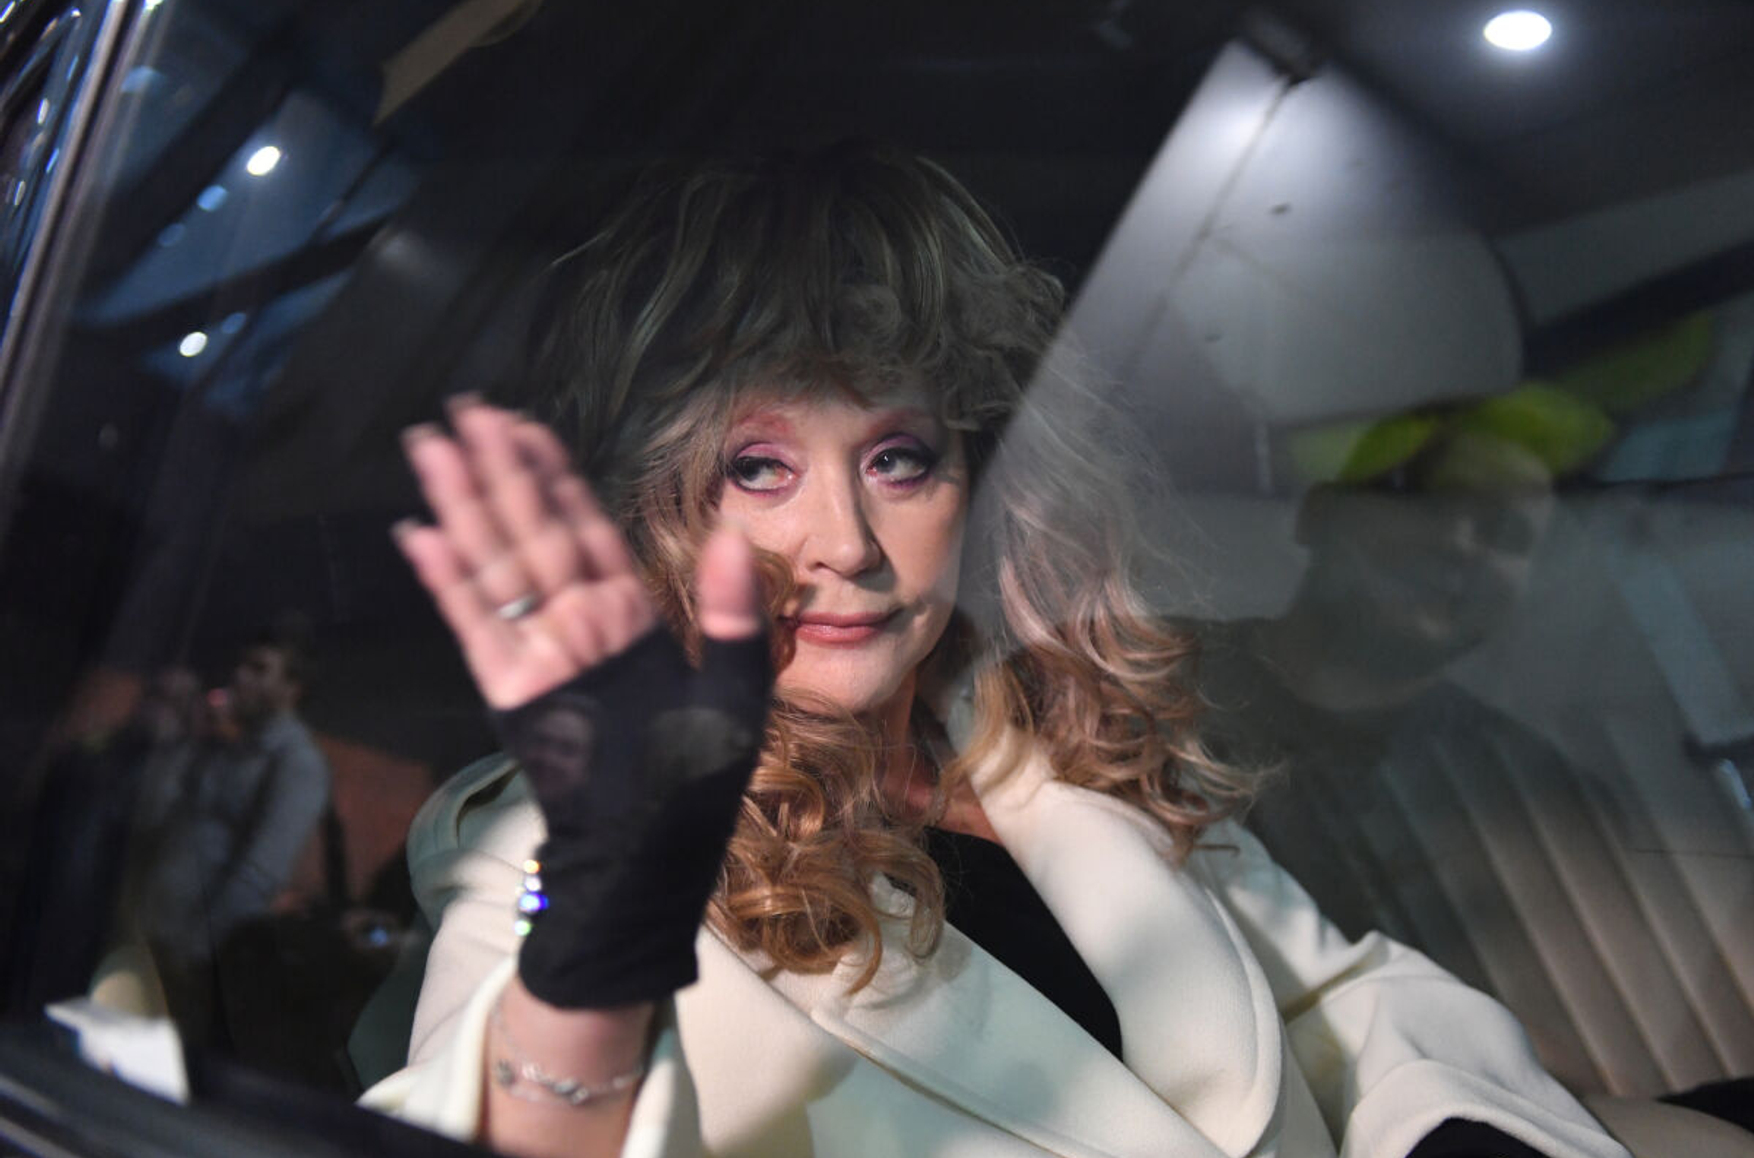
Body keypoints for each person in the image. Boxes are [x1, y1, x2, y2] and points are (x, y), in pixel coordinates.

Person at [363, 145, 1632, 1158]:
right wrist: (592, 971)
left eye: (896, 458)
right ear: (654, 511)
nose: (844, 543)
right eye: (756, 468)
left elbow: (1335, 1001)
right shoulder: (560, 846)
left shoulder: (1046, 743)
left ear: (977, 480)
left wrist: (1460, 1134)